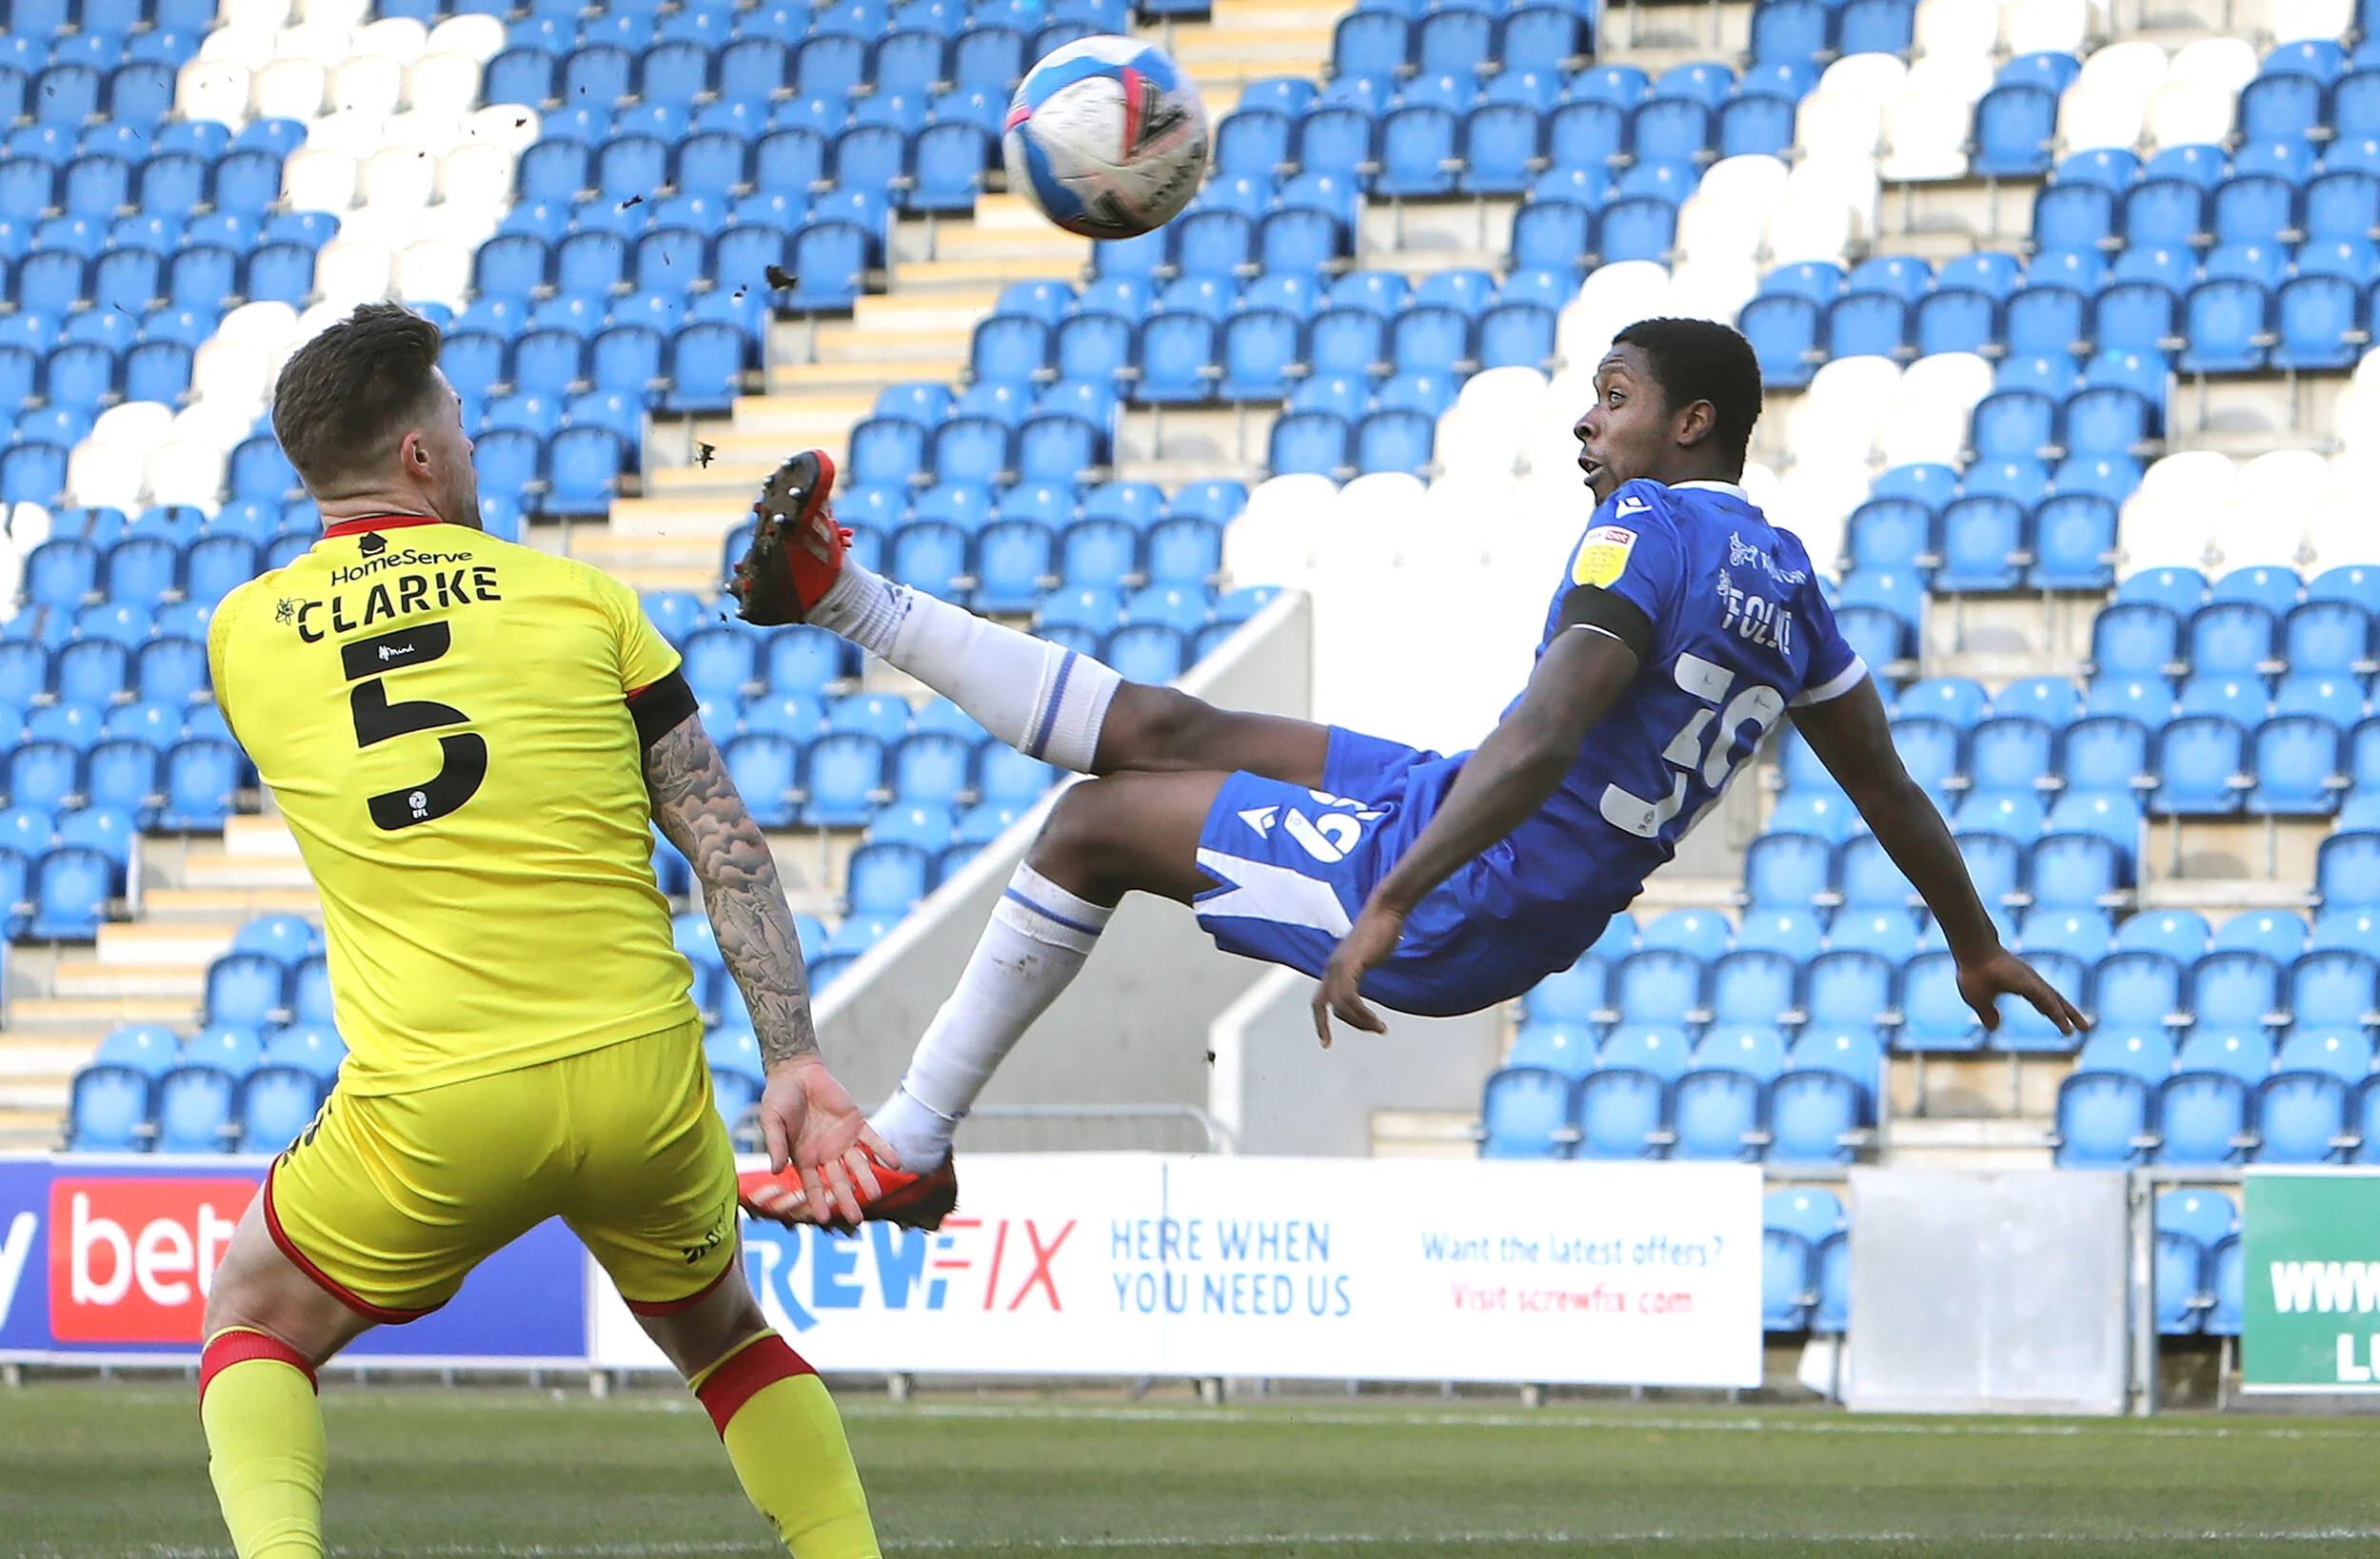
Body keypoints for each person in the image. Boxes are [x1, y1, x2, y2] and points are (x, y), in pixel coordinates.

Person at [729, 316, 2087, 1227]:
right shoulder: (1789, 589)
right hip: (1482, 833)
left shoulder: (1645, 530)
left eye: (1614, 400)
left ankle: (909, 1148)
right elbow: (1891, 789)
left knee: (1092, 826)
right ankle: (834, 590)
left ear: (1694, 422)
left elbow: (1548, 733)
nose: (1587, 426)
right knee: (1171, 730)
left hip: (1466, 886)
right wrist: (1973, 943)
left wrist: (1389, 902)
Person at [196, 303, 890, 1559]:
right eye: (455, 419)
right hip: (640, 1075)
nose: (467, 439)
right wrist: (793, 1058)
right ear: (419, 455)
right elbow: (728, 846)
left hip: (438, 1101)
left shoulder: (241, 636)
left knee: (252, 1313)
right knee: (727, 1337)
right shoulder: (586, 604)